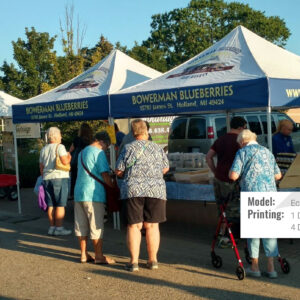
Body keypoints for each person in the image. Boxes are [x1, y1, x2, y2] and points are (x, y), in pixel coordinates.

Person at [115, 119, 169, 272]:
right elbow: (166, 168)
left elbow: (119, 171)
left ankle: (134, 263)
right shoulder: (157, 148)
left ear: (133, 132)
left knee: (134, 226)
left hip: (133, 190)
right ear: (146, 131)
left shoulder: (128, 148)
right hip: (156, 190)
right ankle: (153, 260)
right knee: (152, 225)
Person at [229, 129, 282, 279]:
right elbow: (278, 175)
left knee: (253, 232)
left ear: (242, 142)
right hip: (270, 195)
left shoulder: (243, 152)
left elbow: (233, 175)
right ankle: (271, 268)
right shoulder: (267, 151)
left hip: (252, 195)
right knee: (270, 231)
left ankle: (255, 267)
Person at [74, 131, 115, 264]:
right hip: (94, 193)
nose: (106, 149)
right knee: (96, 225)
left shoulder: (81, 152)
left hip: (78, 192)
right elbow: (105, 174)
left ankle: (84, 254)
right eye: (106, 146)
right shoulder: (99, 153)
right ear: (102, 142)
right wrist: (112, 188)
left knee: (81, 224)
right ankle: (98, 255)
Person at [206, 116, 247, 248]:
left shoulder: (221, 139)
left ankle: (222, 233)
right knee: (233, 210)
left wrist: (215, 171)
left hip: (219, 179)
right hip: (232, 180)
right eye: (245, 128)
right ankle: (229, 237)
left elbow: (209, 157)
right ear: (241, 127)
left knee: (222, 208)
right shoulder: (240, 141)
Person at [39, 127, 72, 236]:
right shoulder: (60, 147)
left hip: (46, 178)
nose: (61, 137)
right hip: (59, 177)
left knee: (51, 204)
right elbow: (64, 161)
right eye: (60, 134)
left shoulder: (44, 149)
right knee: (60, 204)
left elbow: (41, 167)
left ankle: (52, 227)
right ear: (57, 136)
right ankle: (59, 228)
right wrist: (69, 157)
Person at [69, 123, 93, 199]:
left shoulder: (77, 139)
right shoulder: (91, 140)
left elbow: (70, 150)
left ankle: (75, 201)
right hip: (87, 163)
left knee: (75, 180)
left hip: (76, 163)